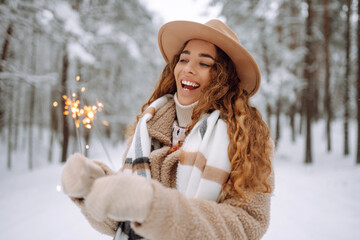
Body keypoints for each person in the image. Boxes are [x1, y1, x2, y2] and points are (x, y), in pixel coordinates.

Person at [61, 19, 274, 240]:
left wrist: (156, 208)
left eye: (204, 63)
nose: (188, 69)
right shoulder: (149, 127)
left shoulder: (246, 136)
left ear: (224, 76)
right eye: (184, 59)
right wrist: (93, 189)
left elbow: (248, 224)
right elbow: (126, 222)